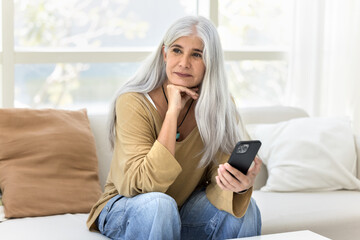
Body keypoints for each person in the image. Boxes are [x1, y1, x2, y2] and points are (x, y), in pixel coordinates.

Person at [87, 15, 262, 240]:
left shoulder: (219, 106)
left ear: (210, 62)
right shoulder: (133, 101)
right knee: (160, 205)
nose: (183, 63)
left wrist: (238, 185)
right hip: (127, 206)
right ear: (164, 54)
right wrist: (172, 113)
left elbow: (216, 180)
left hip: (182, 209)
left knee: (246, 209)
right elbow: (141, 185)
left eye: (196, 55)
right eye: (177, 50)